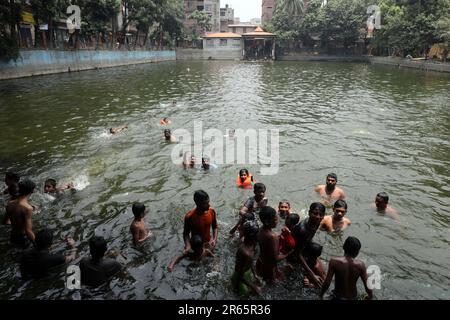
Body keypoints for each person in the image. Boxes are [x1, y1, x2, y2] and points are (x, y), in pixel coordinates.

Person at [292, 202, 326, 288]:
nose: (318, 216)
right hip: (293, 251)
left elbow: (309, 239)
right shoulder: (303, 230)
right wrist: (312, 274)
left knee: (320, 268)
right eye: (315, 213)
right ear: (309, 213)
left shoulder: (317, 222)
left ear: (323, 216)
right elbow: (297, 253)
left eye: (320, 215)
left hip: (303, 247)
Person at [231, 221, 262, 297]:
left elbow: (250, 263)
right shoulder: (246, 253)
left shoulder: (252, 245)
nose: (260, 234)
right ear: (253, 236)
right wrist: (253, 286)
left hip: (246, 273)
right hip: (240, 279)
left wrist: (255, 275)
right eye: (258, 233)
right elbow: (239, 275)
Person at [6, 179, 36, 247]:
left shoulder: (10, 203)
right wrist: (37, 244)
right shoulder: (28, 208)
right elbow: (28, 231)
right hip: (22, 239)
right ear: (32, 191)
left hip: (12, 236)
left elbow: (7, 221)